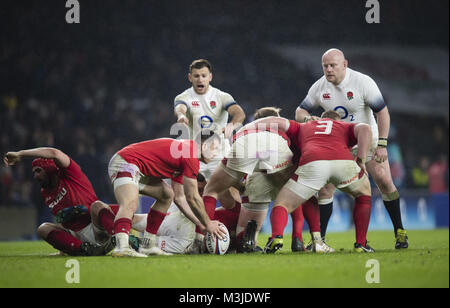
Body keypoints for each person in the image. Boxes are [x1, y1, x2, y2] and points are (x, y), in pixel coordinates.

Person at [295, 48, 408, 249]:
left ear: (344, 64)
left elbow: (382, 113)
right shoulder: (319, 87)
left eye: (333, 65)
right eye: (325, 66)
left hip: (367, 140)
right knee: (325, 188)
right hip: (339, 145)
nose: (328, 70)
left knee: (383, 180)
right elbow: (300, 110)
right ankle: (320, 241)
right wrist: (308, 118)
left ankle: (399, 231)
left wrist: (382, 143)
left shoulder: (363, 82)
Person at [248, 110, 374, 253]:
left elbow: (277, 122)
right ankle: (360, 244)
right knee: (363, 195)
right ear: (339, 121)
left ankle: (277, 236)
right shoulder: (344, 126)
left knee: (282, 204)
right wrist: (361, 160)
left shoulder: (304, 126)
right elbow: (365, 128)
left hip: (310, 163)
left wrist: (246, 128)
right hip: (343, 162)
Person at [107, 130, 226, 257]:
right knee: (130, 203)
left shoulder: (186, 153)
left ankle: (148, 245)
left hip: (139, 169)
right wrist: (208, 224)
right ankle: (122, 247)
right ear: (205, 146)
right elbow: (192, 197)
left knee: (167, 194)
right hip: (126, 162)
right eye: (215, 148)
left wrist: (200, 224)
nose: (216, 153)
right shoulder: (190, 154)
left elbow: (179, 198)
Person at [173, 59, 246, 249]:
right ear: (190, 77)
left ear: (210, 77)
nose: (200, 79)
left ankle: (239, 238)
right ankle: (197, 238)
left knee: (230, 197)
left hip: (219, 154)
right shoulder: (184, 96)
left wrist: (232, 125)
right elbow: (180, 107)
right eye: (196, 76)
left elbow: (239, 113)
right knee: (192, 197)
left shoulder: (221, 96)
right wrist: (181, 117)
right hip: (194, 157)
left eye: (204, 75)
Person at [237, 107, 331, 253]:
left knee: (249, 223)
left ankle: (249, 240)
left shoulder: (250, 135)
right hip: (282, 168)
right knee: (300, 196)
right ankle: (299, 239)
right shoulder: (284, 130)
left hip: (257, 177)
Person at [91, 173, 241, 254]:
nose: (200, 194)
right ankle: (119, 238)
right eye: (198, 190)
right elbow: (225, 188)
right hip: (182, 221)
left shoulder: (234, 211)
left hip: (185, 237)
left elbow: (225, 185)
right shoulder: (236, 213)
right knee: (102, 208)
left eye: (202, 190)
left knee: (105, 210)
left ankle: (120, 238)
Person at [3, 147, 111, 256]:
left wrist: (20, 154)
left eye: (38, 170)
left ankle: (122, 241)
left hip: (95, 228)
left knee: (97, 206)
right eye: (34, 172)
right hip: (77, 235)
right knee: (43, 229)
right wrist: (65, 216)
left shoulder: (70, 172)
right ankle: (83, 249)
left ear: (49, 168)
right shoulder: (45, 193)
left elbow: (54, 153)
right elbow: (61, 220)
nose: (35, 176)